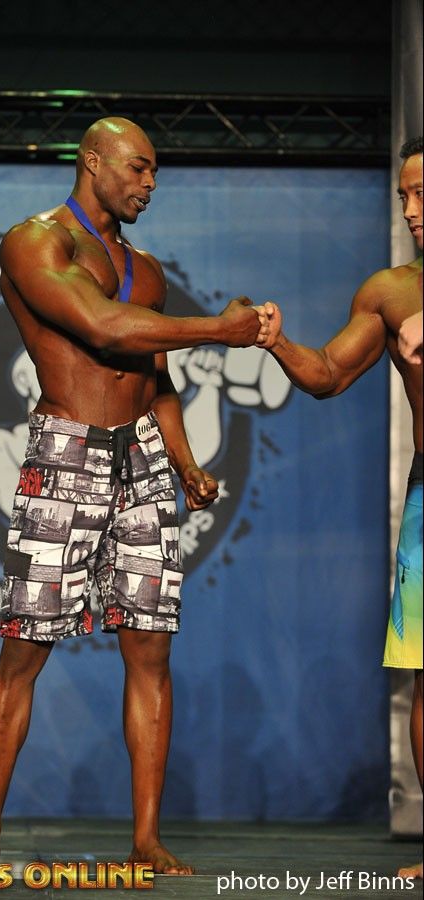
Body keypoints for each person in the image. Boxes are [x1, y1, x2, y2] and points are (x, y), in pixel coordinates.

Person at [0, 116, 271, 874]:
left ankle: (147, 839)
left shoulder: (146, 270)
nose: (149, 184)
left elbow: (156, 379)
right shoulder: (36, 243)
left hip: (144, 459)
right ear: (92, 161)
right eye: (137, 168)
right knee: (25, 648)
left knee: (151, 649)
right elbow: (102, 328)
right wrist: (218, 330)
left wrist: (184, 462)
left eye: (154, 172)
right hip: (66, 452)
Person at [260, 137, 423, 880]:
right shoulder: (390, 292)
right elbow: (327, 373)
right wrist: (277, 343)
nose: (411, 211)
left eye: (423, 194)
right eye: (404, 197)